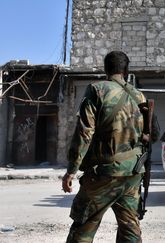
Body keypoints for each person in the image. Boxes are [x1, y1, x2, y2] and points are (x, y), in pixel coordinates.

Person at [62, 51, 148, 242]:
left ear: (105, 69)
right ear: (126, 70)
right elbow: (150, 135)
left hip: (104, 174)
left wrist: (71, 171)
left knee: (82, 228)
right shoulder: (139, 96)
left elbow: (84, 132)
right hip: (132, 173)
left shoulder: (97, 90)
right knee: (130, 229)